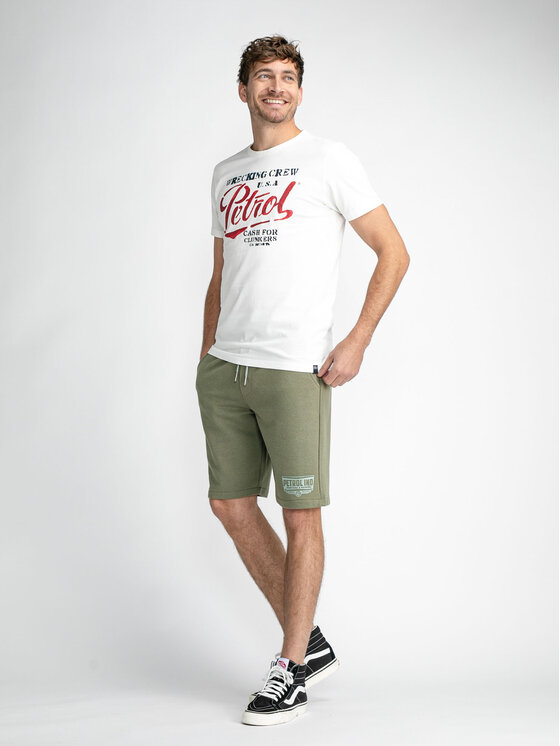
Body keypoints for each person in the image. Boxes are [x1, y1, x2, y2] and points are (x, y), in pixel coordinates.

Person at [195, 35, 409, 726]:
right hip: (227, 367)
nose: (276, 87)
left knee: (300, 513)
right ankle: (309, 642)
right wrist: (206, 355)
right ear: (244, 90)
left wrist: (357, 340)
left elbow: (394, 252)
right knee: (230, 505)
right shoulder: (227, 173)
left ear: (300, 91)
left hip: (295, 368)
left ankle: (290, 669)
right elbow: (221, 274)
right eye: (264, 76)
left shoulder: (328, 159)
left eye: (288, 77)